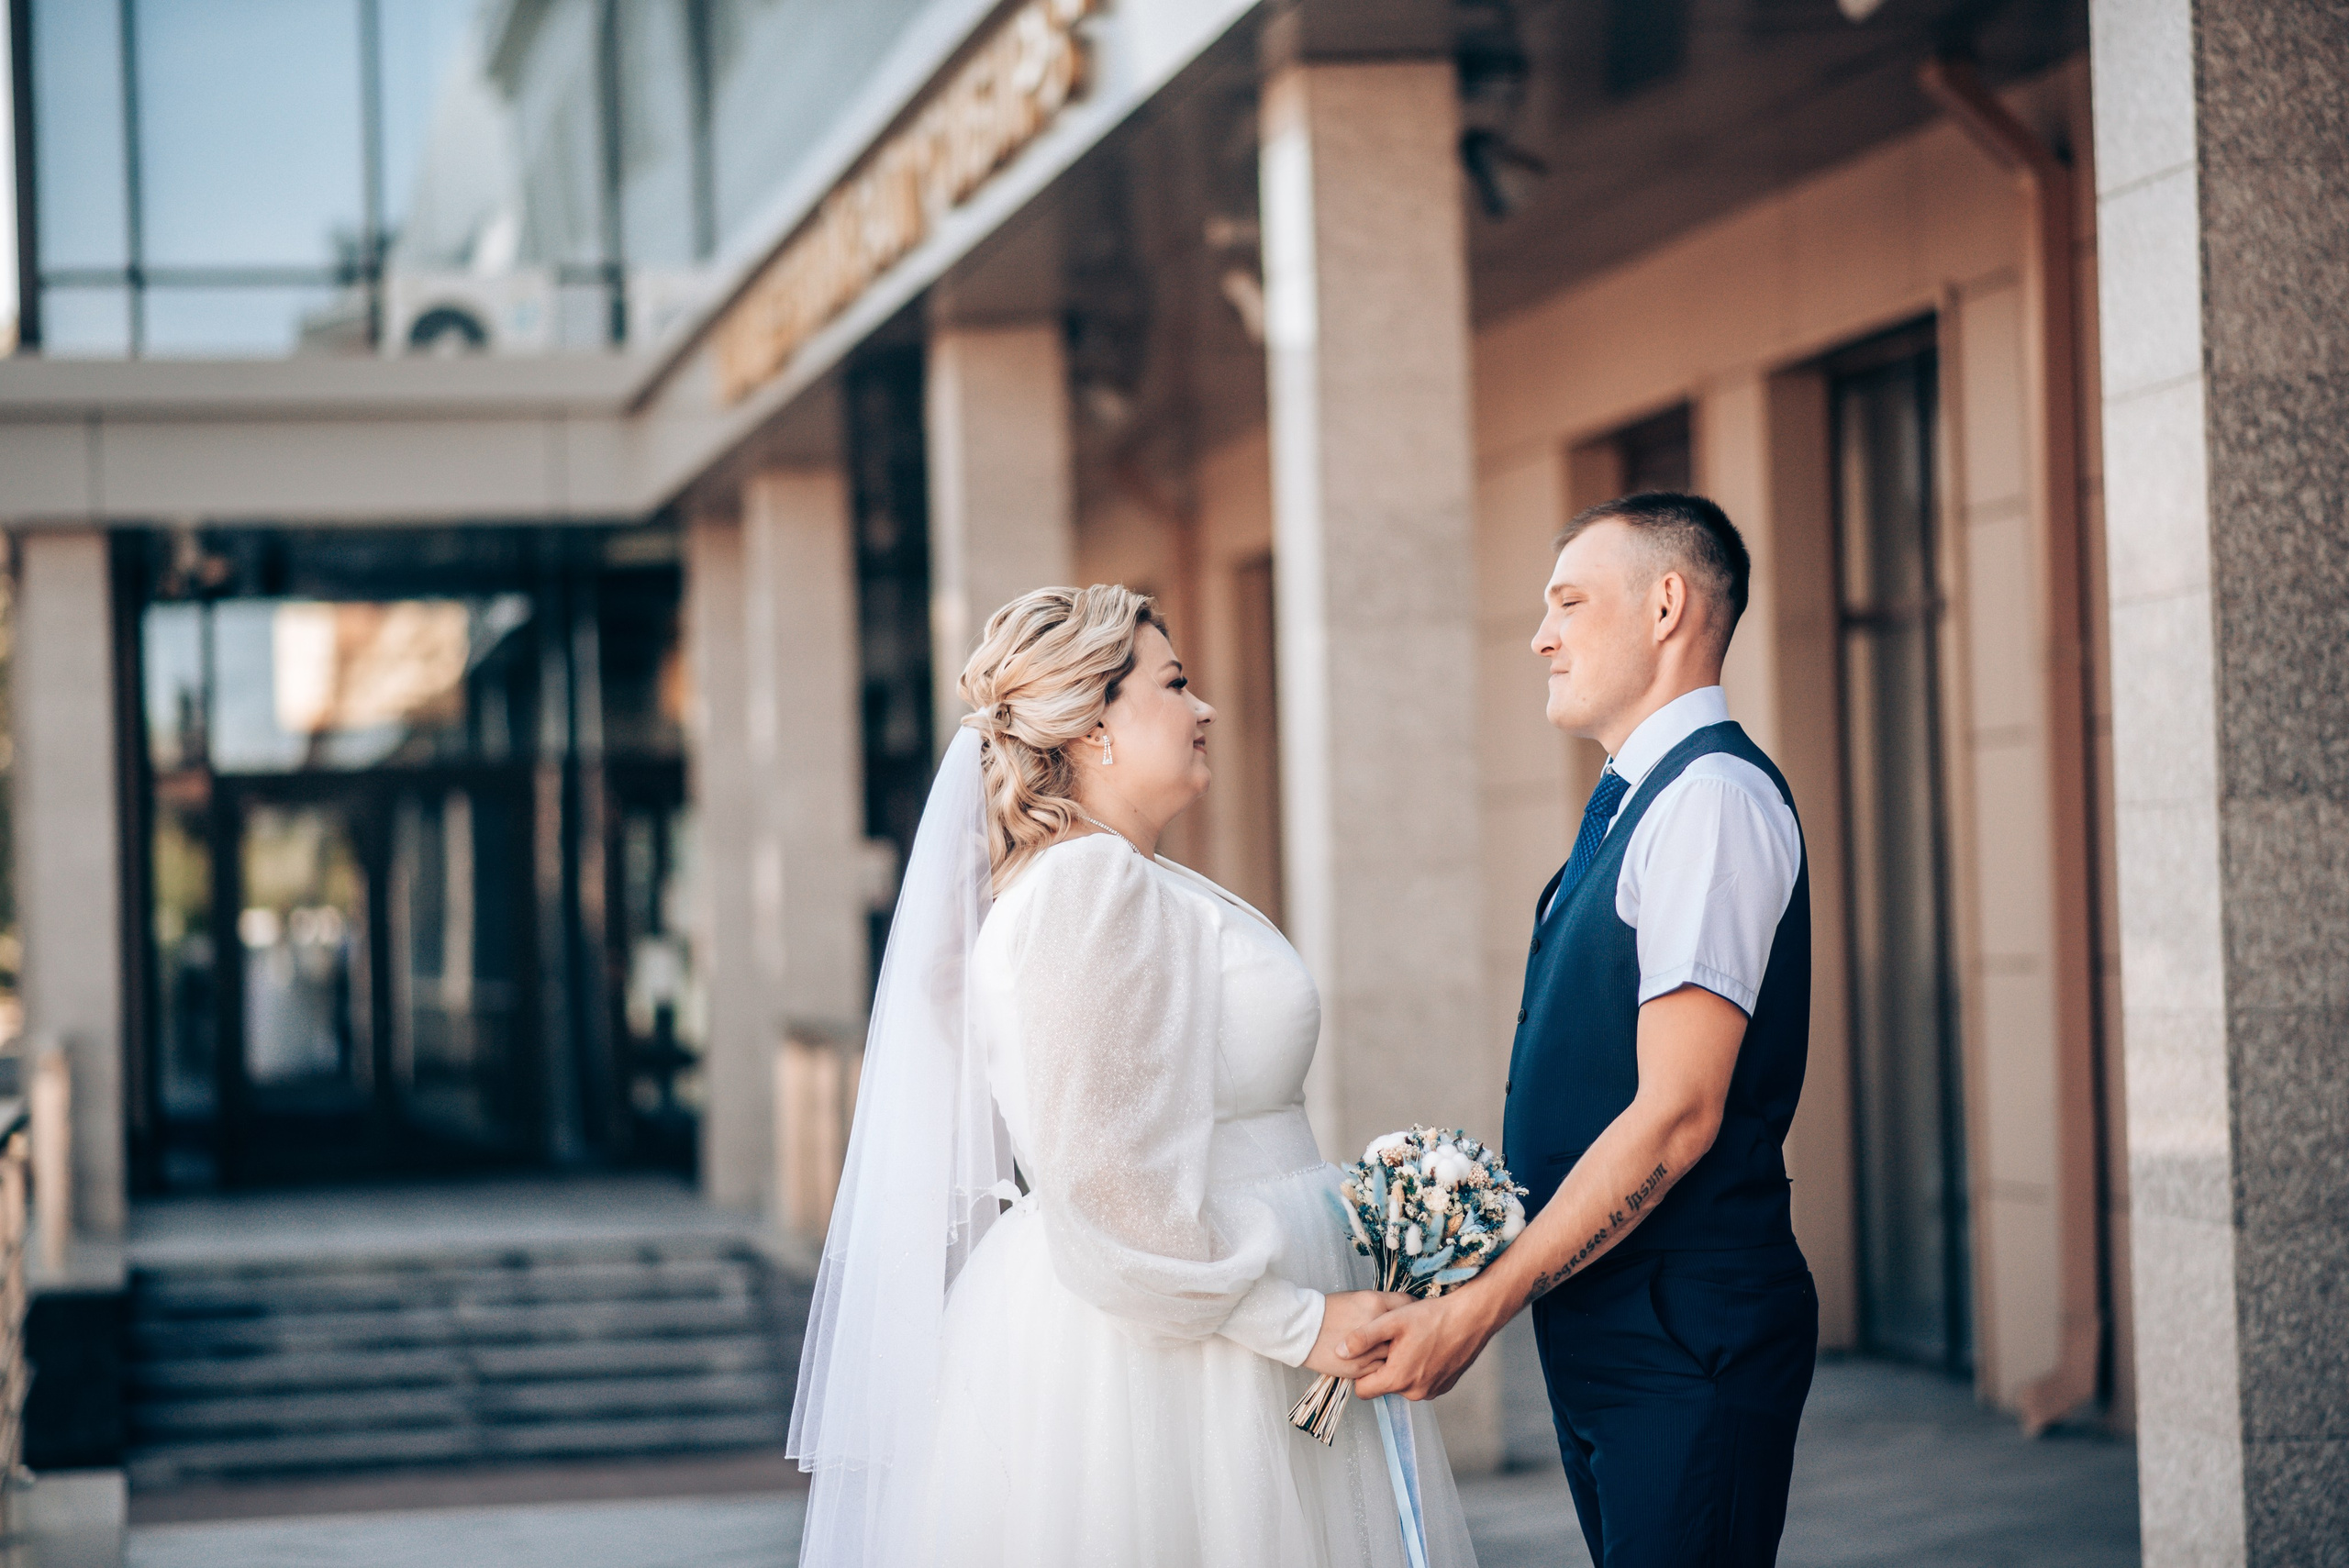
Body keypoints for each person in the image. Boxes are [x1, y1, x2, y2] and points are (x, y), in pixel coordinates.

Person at [790, 584, 1480, 1568]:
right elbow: (1107, 1180)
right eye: (1175, 681)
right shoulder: (1088, 886)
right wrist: (1300, 1320)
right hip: (1180, 1365)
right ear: (1093, 726)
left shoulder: (1126, 876)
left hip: (1213, 1326)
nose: (1203, 708)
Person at [1347, 493, 1819, 1567]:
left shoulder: (1707, 799)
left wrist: (1478, 1308)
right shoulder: (1637, 800)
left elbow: (1677, 1114)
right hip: (1617, 1321)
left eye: (1567, 600)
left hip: (1682, 1330)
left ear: (1665, 605)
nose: (1540, 635)